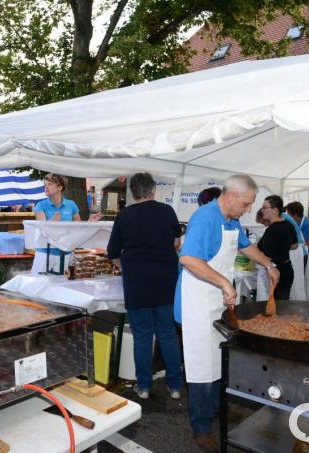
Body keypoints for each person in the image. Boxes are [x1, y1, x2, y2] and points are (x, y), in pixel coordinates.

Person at [175, 174, 279, 453]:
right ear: (231, 195)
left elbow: (245, 246)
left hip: (218, 301)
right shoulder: (205, 218)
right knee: (200, 365)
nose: (248, 210)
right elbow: (188, 259)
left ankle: (216, 409)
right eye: (246, 204)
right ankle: (201, 427)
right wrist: (223, 282)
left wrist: (268, 265)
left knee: (219, 358)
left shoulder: (232, 220)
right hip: (198, 301)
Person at [106, 173, 183, 401]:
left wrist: (125, 266)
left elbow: (112, 253)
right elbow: (177, 242)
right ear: (153, 190)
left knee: (142, 336)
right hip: (165, 283)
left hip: (137, 284)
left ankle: (143, 387)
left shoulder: (125, 215)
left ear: (132, 192)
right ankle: (175, 386)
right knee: (167, 334)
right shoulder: (167, 211)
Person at [32, 173, 101, 273]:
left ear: (60, 187)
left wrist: (91, 222)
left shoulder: (71, 205)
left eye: (50, 184)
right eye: (45, 184)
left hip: (67, 254)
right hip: (46, 255)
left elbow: (79, 228)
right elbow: (43, 231)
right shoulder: (40, 205)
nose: (46, 187)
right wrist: (52, 222)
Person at [257, 195, 298, 301]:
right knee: (283, 306)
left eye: (265, 208)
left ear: (275, 210)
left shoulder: (271, 231)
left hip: (276, 273)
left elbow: (267, 257)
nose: (262, 210)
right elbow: (295, 245)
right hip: (288, 270)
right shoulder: (288, 225)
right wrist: (282, 247)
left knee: (276, 308)